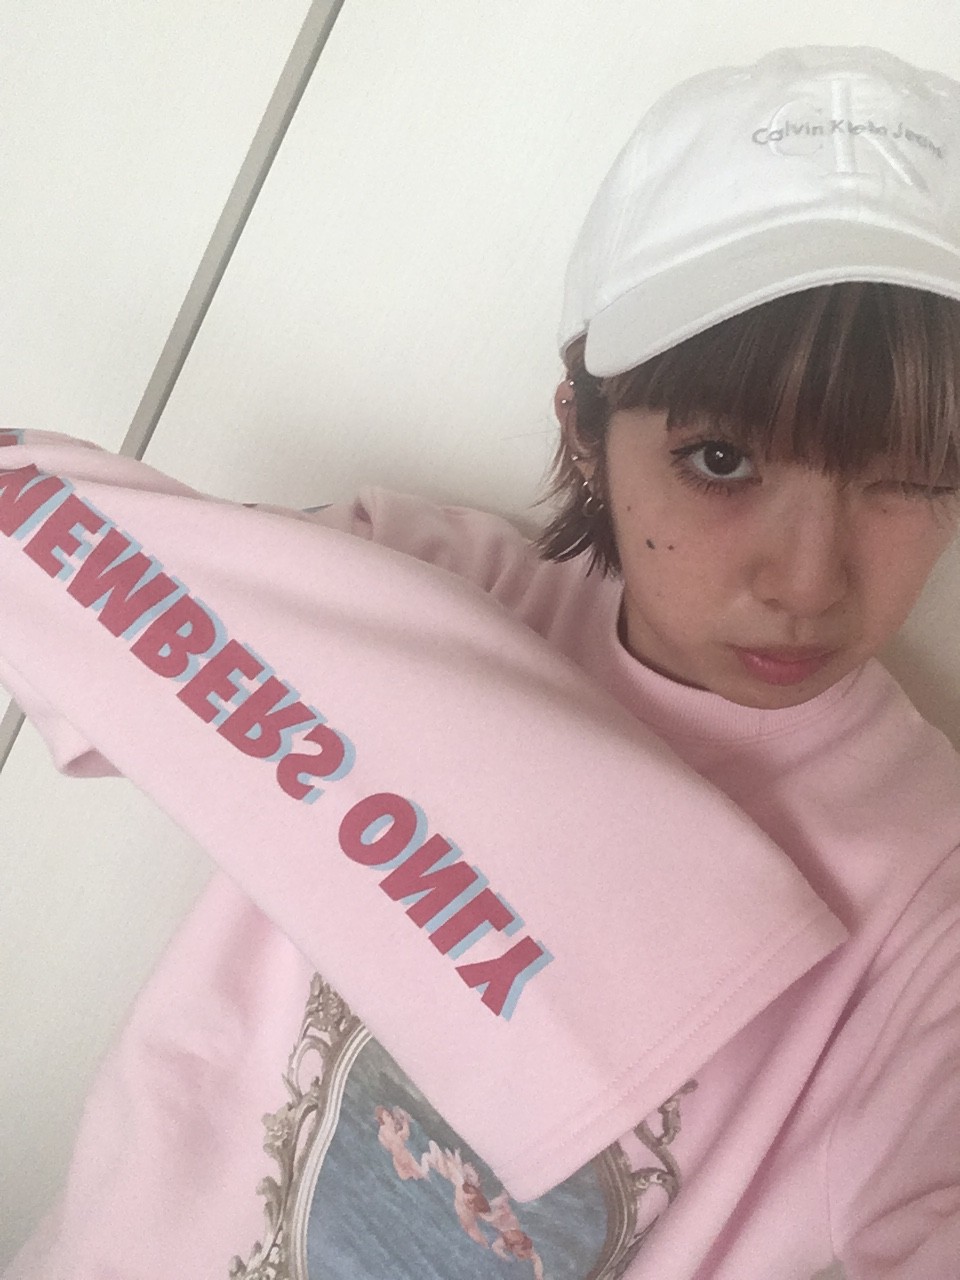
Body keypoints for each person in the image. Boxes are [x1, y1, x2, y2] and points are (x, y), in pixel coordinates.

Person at [2, 41, 960, 1280]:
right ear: (586, 428)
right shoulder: (412, 583)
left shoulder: (928, 899)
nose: (808, 579)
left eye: (912, 476)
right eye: (722, 459)